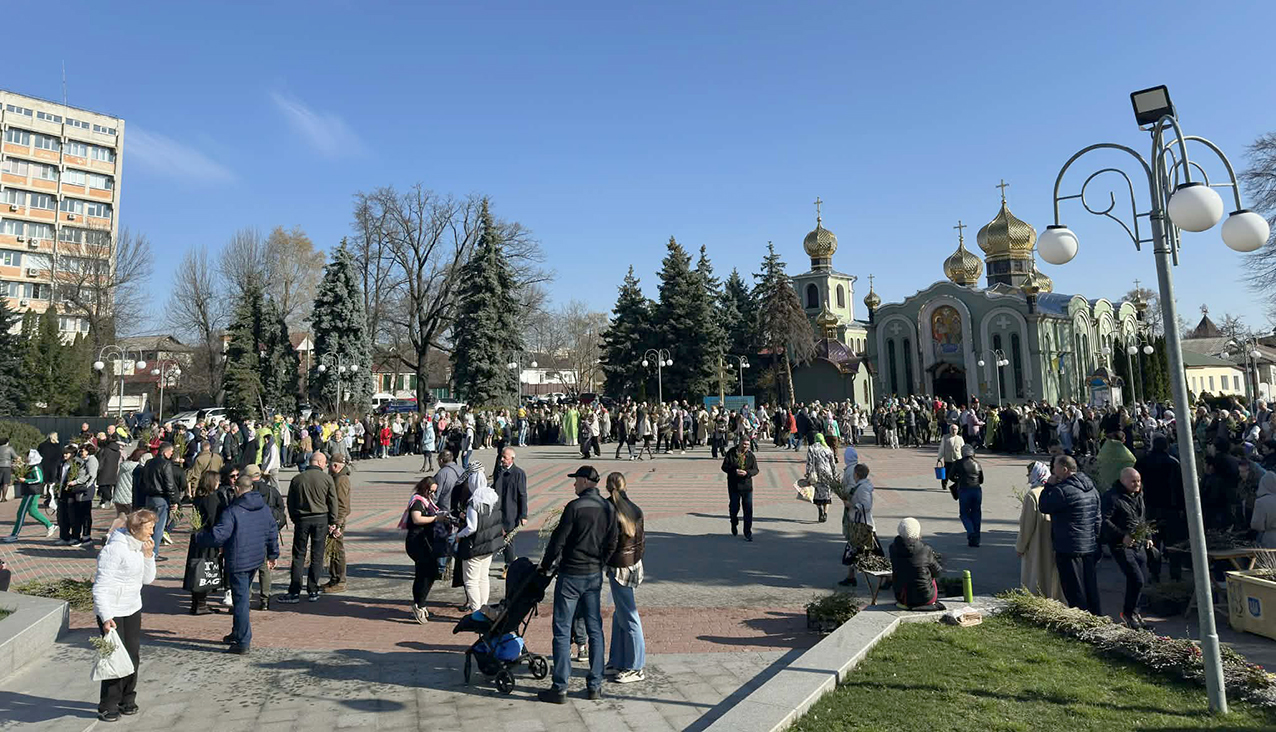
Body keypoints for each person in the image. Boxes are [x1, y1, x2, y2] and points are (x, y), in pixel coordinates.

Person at [538, 465, 617, 704]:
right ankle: (595, 685)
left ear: (584, 481)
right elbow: (613, 541)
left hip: (571, 574)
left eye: (575, 481)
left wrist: (545, 565)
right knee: (595, 629)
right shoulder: (608, 507)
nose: (573, 485)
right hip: (593, 575)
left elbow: (557, 541)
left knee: (562, 629)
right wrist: (601, 563)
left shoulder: (574, 507)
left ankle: (560, 686)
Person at [195, 474, 280, 655]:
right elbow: (272, 530)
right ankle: (237, 632)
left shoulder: (233, 511)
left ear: (237, 489)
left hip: (239, 560)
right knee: (241, 597)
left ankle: (243, 641)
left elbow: (219, 535)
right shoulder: (263, 508)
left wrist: (199, 536)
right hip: (255, 558)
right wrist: (273, 554)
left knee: (240, 601)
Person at [91, 509, 158, 722]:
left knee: (132, 655)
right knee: (113, 656)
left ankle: (127, 698)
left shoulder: (140, 547)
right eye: (149, 528)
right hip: (112, 611)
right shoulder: (114, 550)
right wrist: (106, 616)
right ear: (135, 528)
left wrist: (149, 556)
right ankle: (108, 704)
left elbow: (147, 579)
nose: (152, 532)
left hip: (132, 607)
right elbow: (100, 586)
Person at [1040, 454, 1102, 616]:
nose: (1053, 472)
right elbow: (1097, 517)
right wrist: (1095, 538)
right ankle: (1096, 618)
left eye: (1055, 468)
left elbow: (1044, 506)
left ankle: (1081, 621)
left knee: (1074, 589)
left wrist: (1049, 486)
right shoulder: (1092, 488)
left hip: (1069, 546)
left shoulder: (1062, 490)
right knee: (1090, 587)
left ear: (1064, 469)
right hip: (1089, 545)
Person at [604, 472, 646, 684]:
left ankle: (636, 666)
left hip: (619, 567)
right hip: (633, 566)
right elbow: (642, 540)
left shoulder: (610, 510)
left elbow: (609, 542)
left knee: (629, 616)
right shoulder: (635, 508)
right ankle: (619, 660)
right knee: (620, 615)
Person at [281, 452, 337, 604]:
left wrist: (294, 518)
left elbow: (290, 503)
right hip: (321, 519)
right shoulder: (327, 479)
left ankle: (294, 590)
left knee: (298, 554)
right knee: (317, 555)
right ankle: (313, 589)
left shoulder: (297, 479)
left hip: (302, 520)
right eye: (325, 462)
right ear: (319, 462)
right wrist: (333, 521)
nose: (325, 465)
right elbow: (333, 501)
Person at [1102, 467, 1153, 629]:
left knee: (1141, 580)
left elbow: (1142, 517)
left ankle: (1134, 612)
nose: (1137, 484)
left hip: (1138, 543)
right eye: (1133, 481)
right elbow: (1104, 521)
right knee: (1136, 579)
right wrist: (1122, 536)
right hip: (1120, 545)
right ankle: (1128, 613)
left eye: (1138, 481)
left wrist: (1148, 536)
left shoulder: (1139, 495)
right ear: (1123, 481)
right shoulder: (1112, 497)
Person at [453, 461, 502, 612]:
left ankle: (476, 611)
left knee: (471, 581)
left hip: (474, 546)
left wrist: (459, 535)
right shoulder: (493, 497)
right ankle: (484, 608)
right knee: (483, 577)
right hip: (490, 544)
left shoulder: (474, 502)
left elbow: (471, 527)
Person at [401, 476, 447, 623]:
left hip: (426, 541)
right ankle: (419, 605)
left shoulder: (427, 500)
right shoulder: (418, 501)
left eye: (434, 491)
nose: (433, 494)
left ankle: (421, 603)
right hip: (417, 542)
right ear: (425, 488)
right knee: (423, 573)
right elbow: (417, 519)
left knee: (431, 572)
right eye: (431, 491)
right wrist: (436, 519)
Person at [1015, 461, 1063, 601]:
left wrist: (1020, 546)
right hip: (1054, 541)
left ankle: (1036, 603)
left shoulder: (1032, 495)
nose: (1028, 477)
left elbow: (1026, 526)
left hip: (1036, 543)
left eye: (1029, 474)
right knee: (1052, 576)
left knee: (1036, 577)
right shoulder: (1055, 490)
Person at [183, 471, 226, 615]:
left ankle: (197, 603)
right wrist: (220, 541)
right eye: (217, 481)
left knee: (197, 569)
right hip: (208, 538)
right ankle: (201, 604)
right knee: (206, 569)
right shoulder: (212, 498)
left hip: (197, 537)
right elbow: (213, 520)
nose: (218, 483)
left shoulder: (198, 497)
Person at [835, 463, 877, 587]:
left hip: (864, 526)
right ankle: (850, 576)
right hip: (858, 525)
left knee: (873, 553)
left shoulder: (863, 488)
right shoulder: (861, 485)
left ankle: (889, 577)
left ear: (856, 474)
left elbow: (867, 506)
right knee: (853, 551)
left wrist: (852, 505)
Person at [889, 518, 943, 610]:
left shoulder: (893, 548)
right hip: (926, 598)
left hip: (902, 598)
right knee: (930, 573)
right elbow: (938, 572)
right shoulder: (926, 550)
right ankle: (928, 602)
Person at [3, 449, 55, 542]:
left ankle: (14, 535)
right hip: (29, 491)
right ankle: (50, 525)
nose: (26, 458)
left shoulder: (35, 467)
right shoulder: (30, 466)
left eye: (27, 456)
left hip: (32, 492)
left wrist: (25, 481)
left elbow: (39, 479)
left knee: (21, 513)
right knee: (33, 511)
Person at [138, 443, 179, 558]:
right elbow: (169, 484)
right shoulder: (166, 464)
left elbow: (142, 480)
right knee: (158, 528)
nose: (171, 454)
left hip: (149, 497)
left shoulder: (149, 462)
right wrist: (174, 500)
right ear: (165, 452)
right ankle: (153, 553)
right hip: (161, 497)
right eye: (171, 452)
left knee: (148, 525)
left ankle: (146, 549)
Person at [493, 447, 528, 579]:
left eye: (505, 458)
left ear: (512, 459)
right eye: (501, 457)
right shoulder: (498, 471)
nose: (502, 459)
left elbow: (523, 495)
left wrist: (523, 515)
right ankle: (511, 559)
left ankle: (509, 565)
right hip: (498, 510)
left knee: (507, 539)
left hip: (510, 511)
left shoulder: (519, 473)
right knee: (502, 539)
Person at [720, 436, 759, 542]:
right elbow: (724, 467)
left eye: (747, 444)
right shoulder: (731, 453)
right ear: (739, 443)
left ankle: (747, 532)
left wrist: (747, 473)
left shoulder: (750, 456)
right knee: (734, 507)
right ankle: (734, 522)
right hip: (734, 485)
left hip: (747, 486)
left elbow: (755, 470)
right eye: (744, 444)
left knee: (748, 510)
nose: (745, 446)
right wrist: (734, 472)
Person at [325, 455, 352, 593]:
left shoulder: (341, 480)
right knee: (333, 550)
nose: (327, 468)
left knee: (337, 550)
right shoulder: (338, 478)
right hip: (336, 518)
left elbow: (341, 504)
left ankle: (340, 581)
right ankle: (334, 578)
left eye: (329, 465)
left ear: (335, 466)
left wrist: (337, 523)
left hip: (338, 519)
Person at [951, 444, 985, 547]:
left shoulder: (958, 463)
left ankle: (971, 532)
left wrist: (959, 479)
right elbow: (982, 480)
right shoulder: (977, 464)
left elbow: (951, 476)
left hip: (964, 490)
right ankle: (976, 540)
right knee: (976, 514)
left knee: (964, 514)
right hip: (977, 490)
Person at [806, 433, 837, 523]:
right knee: (827, 493)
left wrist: (808, 473)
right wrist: (834, 474)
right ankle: (825, 513)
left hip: (816, 472)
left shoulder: (811, 448)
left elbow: (809, 463)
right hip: (828, 472)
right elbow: (832, 463)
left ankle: (819, 509)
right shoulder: (828, 449)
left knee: (817, 493)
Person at [96, 435, 123, 510]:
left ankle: (109, 499)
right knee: (108, 487)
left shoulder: (105, 450)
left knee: (102, 487)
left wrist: (98, 470)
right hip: (113, 470)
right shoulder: (118, 451)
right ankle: (103, 503)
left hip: (104, 470)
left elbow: (100, 461)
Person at [936, 423, 964, 494]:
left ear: (957, 430)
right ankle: (944, 485)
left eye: (955, 429)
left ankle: (958, 485)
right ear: (950, 430)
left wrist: (964, 458)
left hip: (957, 459)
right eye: (952, 429)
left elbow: (963, 449)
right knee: (946, 474)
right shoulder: (945, 438)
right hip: (948, 459)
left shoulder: (960, 438)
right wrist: (939, 457)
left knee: (957, 474)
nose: (954, 431)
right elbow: (942, 448)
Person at [0, 437, 15, 503]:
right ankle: (3, 498)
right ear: (7, 442)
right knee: (5, 483)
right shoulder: (9, 448)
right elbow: (15, 456)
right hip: (7, 466)